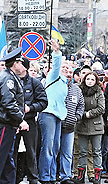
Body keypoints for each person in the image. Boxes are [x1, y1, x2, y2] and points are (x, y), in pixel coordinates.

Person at [38, 39, 69, 183]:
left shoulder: (65, 83)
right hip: (48, 113)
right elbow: (56, 64)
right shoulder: (53, 75)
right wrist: (56, 51)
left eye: (68, 69)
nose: (66, 70)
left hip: (58, 115)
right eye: (64, 68)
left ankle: (51, 176)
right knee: (48, 146)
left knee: (55, 147)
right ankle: (44, 176)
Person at [14, 57, 48, 184]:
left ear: (25, 67)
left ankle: (33, 179)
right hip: (13, 122)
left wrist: (30, 108)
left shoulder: (35, 83)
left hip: (30, 121)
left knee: (31, 152)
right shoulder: (10, 80)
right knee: (12, 152)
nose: (16, 66)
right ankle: (14, 178)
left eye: (19, 64)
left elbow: (43, 102)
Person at [0, 47, 27, 184]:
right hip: (5, 124)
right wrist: (20, 120)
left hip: (9, 124)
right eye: (20, 62)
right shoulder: (8, 78)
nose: (22, 66)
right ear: (15, 64)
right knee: (2, 158)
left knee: (7, 162)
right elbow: (8, 102)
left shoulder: (11, 77)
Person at [75, 72, 105, 184]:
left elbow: (101, 108)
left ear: (96, 81)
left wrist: (89, 114)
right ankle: (80, 176)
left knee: (96, 151)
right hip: (82, 124)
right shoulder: (79, 91)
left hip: (96, 126)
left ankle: (97, 176)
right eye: (88, 79)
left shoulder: (99, 92)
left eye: (92, 79)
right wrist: (82, 114)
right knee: (82, 152)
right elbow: (76, 105)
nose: (90, 81)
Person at [60, 66, 85, 184]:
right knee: (53, 151)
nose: (68, 74)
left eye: (71, 72)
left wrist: (77, 117)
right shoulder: (57, 86)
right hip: (56, 124)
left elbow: (81, 105)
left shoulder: (76, 89)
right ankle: (53, 175)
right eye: (66, 72)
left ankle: (66, 176)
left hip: (70, 125)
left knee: (67, 153)